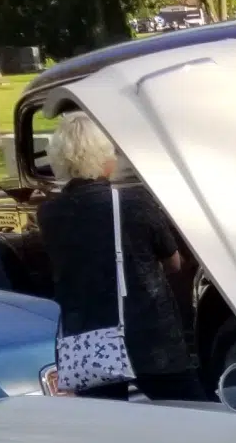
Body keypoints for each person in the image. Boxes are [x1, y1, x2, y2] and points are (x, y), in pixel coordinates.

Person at [35, 109, 204, 401]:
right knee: (194, 412)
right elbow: (173, 262)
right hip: (148, 337)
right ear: (105, 158)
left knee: (107, 426)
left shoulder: (48, 213)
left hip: (88, 340)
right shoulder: (134, 203)